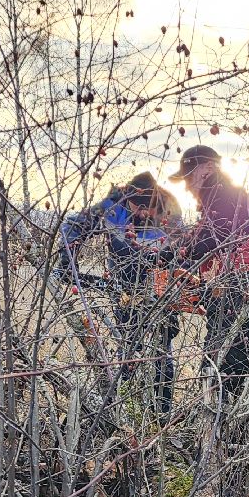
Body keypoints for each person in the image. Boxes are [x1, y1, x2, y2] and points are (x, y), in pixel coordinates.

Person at [155, 145, 249, 411]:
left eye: (189, 176)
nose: (186, 186)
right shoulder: (219, 201)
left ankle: (219, 432)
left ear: (208, 167)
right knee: (221, 366)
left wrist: (169, 259)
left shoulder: (227, 197)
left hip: (241, 289)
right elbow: (204, 243)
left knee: (220, 370)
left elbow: (204, 243)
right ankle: (219, 428)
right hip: (236, 288)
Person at [55, 173, 182, 406]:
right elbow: (74, 224)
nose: (143, 213)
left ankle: (161, 413)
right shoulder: (112, 205)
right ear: (128, 196)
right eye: (138, 206)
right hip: (122, 286)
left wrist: (172, 292)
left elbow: (184, 253)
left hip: (158, 288)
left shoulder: (171, 210)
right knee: (130, 347)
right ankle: (128, 404)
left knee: (161, 351)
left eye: (149, 207)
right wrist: (67, 259)